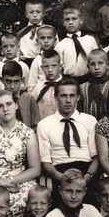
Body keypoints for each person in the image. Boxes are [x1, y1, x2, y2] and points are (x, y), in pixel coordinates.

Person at [37, 77, 99, 205]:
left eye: (72, 95)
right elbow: (45, 162)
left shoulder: (90, 120)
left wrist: (87, 178)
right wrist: (60, 177)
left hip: (86, 170)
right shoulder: (44, 124)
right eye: (63, 95)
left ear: (78, 97)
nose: (68, 100)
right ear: (56, 97)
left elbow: (97, 157)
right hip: (59, 171)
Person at [55, 8, 98, 84]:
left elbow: (96, 59)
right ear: (63, 23)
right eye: (67, 20)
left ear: (81, 20)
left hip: (89, 79)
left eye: (74, 19)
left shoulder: (90, 40)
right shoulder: (60, 45)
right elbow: (59, 68)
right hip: (69, 81)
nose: (70, 22)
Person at [0, 61, 40, 130]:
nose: (12, 86)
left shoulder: (28, 98)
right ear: (2, 80)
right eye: (8, 82)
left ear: (22, 80)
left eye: (16, 81)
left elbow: (35, 125)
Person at [79, 49, 109, 120]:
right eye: (92, 64)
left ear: (107, 65)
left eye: (100, 63)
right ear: (88, 67)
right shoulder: (82, 88)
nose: (97, 67)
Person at [31, 49, 63, 120]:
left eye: (54, 65)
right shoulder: (37, 88)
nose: (50, 70)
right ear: (42, 68)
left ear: (60, 66)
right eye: (46, 66)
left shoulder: (66, 87)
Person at [27, 25, 59, 92]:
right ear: (37, 40)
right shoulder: (37, 60)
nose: (46, 41)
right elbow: (31, 85)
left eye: (49, 38)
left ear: (55, 40)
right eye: (42, 38)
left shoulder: (59, 57)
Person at [17, 0, 46, 67]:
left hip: (42, 63)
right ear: (26, 14)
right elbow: (17, 49)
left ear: (43, 14)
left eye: (38, 12)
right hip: (24, 64)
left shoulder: (49, 31)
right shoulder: (22, 32)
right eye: (31, 12)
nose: (35, 15)